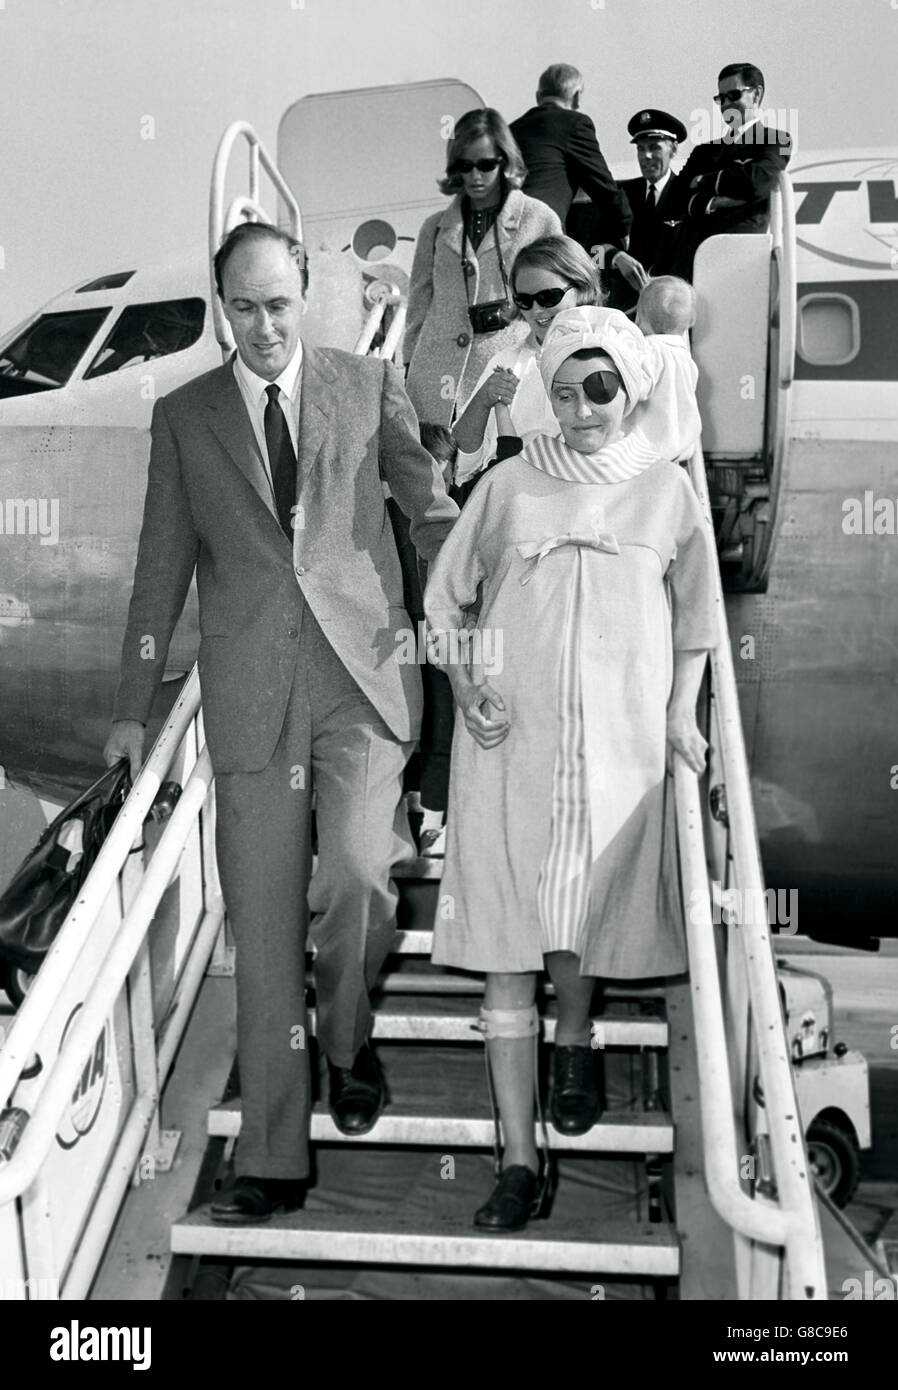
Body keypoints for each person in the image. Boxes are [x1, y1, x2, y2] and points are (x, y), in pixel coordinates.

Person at [104, 221, 458, 1225]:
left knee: (354, 880)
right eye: (245, 308)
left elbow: (428, 511)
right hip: (254, 698)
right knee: (262, 935)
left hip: (363, 680)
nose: (266, 327)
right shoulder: (186, 418)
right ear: (226, 309)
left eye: (280, 304)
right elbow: (156, 574)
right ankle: (271, 1156)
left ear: (306, 293)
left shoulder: (364, 382)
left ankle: (345, 1039)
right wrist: (132, 708)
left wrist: (494, 590)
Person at [424, 305, 719, 1231]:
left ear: (631, 389)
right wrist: (466, 689)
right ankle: (517, 1162)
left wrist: (679, 716)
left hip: (621, 751)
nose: (584, 408)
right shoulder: (510, 484)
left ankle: (580, 1041)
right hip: (511, 747)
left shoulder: (668, 491)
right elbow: (441, 604)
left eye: (601, 388)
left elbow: (698, 623)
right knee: (509, 951)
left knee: (581, 918)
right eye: (564, 391)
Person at [404, 108, 561, 428]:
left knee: (500, 471)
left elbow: (562, 297)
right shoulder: (433, 228)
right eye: (465, 166)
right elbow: (418, 303)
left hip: (508, 377)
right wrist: (407, 366)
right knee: (433, 476)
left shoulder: (539, 218)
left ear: (505, 161)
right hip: (432, 382)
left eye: (486, 165)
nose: (475, 176)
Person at [451, 234, 604, 490]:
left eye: (548, 297)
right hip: (515, 500)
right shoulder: (506, 360)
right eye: (525, 300)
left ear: (582, 288)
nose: (536, 310)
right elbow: (461, 461)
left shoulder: (613, 351)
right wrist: (483, 400)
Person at [664, 63, 792, 280]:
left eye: (733, 95)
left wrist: (702, 181)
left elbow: (758, 182)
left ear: (757, 94)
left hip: (737, 262)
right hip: (692, 263)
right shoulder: (704, 151)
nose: (726, 105)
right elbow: (674, 199)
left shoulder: (777, 140)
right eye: (721, 99)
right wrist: (714, 202)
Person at [510, 64, 631, 257]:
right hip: (541, 233)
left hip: (504, 232)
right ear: (576, 97)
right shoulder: (575, 124)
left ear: (538, 96)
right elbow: (602, 185)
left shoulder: (511, 130)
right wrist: (624, 226)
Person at [602, 108, 688, 312]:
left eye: (654, 147)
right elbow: (590, 251)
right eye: (641, 149)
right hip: (625, 312)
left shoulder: (688, 196)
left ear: (673, 149)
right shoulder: (622, 195)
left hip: (671, 310)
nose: (646, 156)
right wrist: (615, 257)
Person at [631, 275, 702, 462]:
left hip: (648, 448)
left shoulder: (649, 350)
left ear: (639, 317)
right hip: (680, 447)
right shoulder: (686, 359)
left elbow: (635, 387)